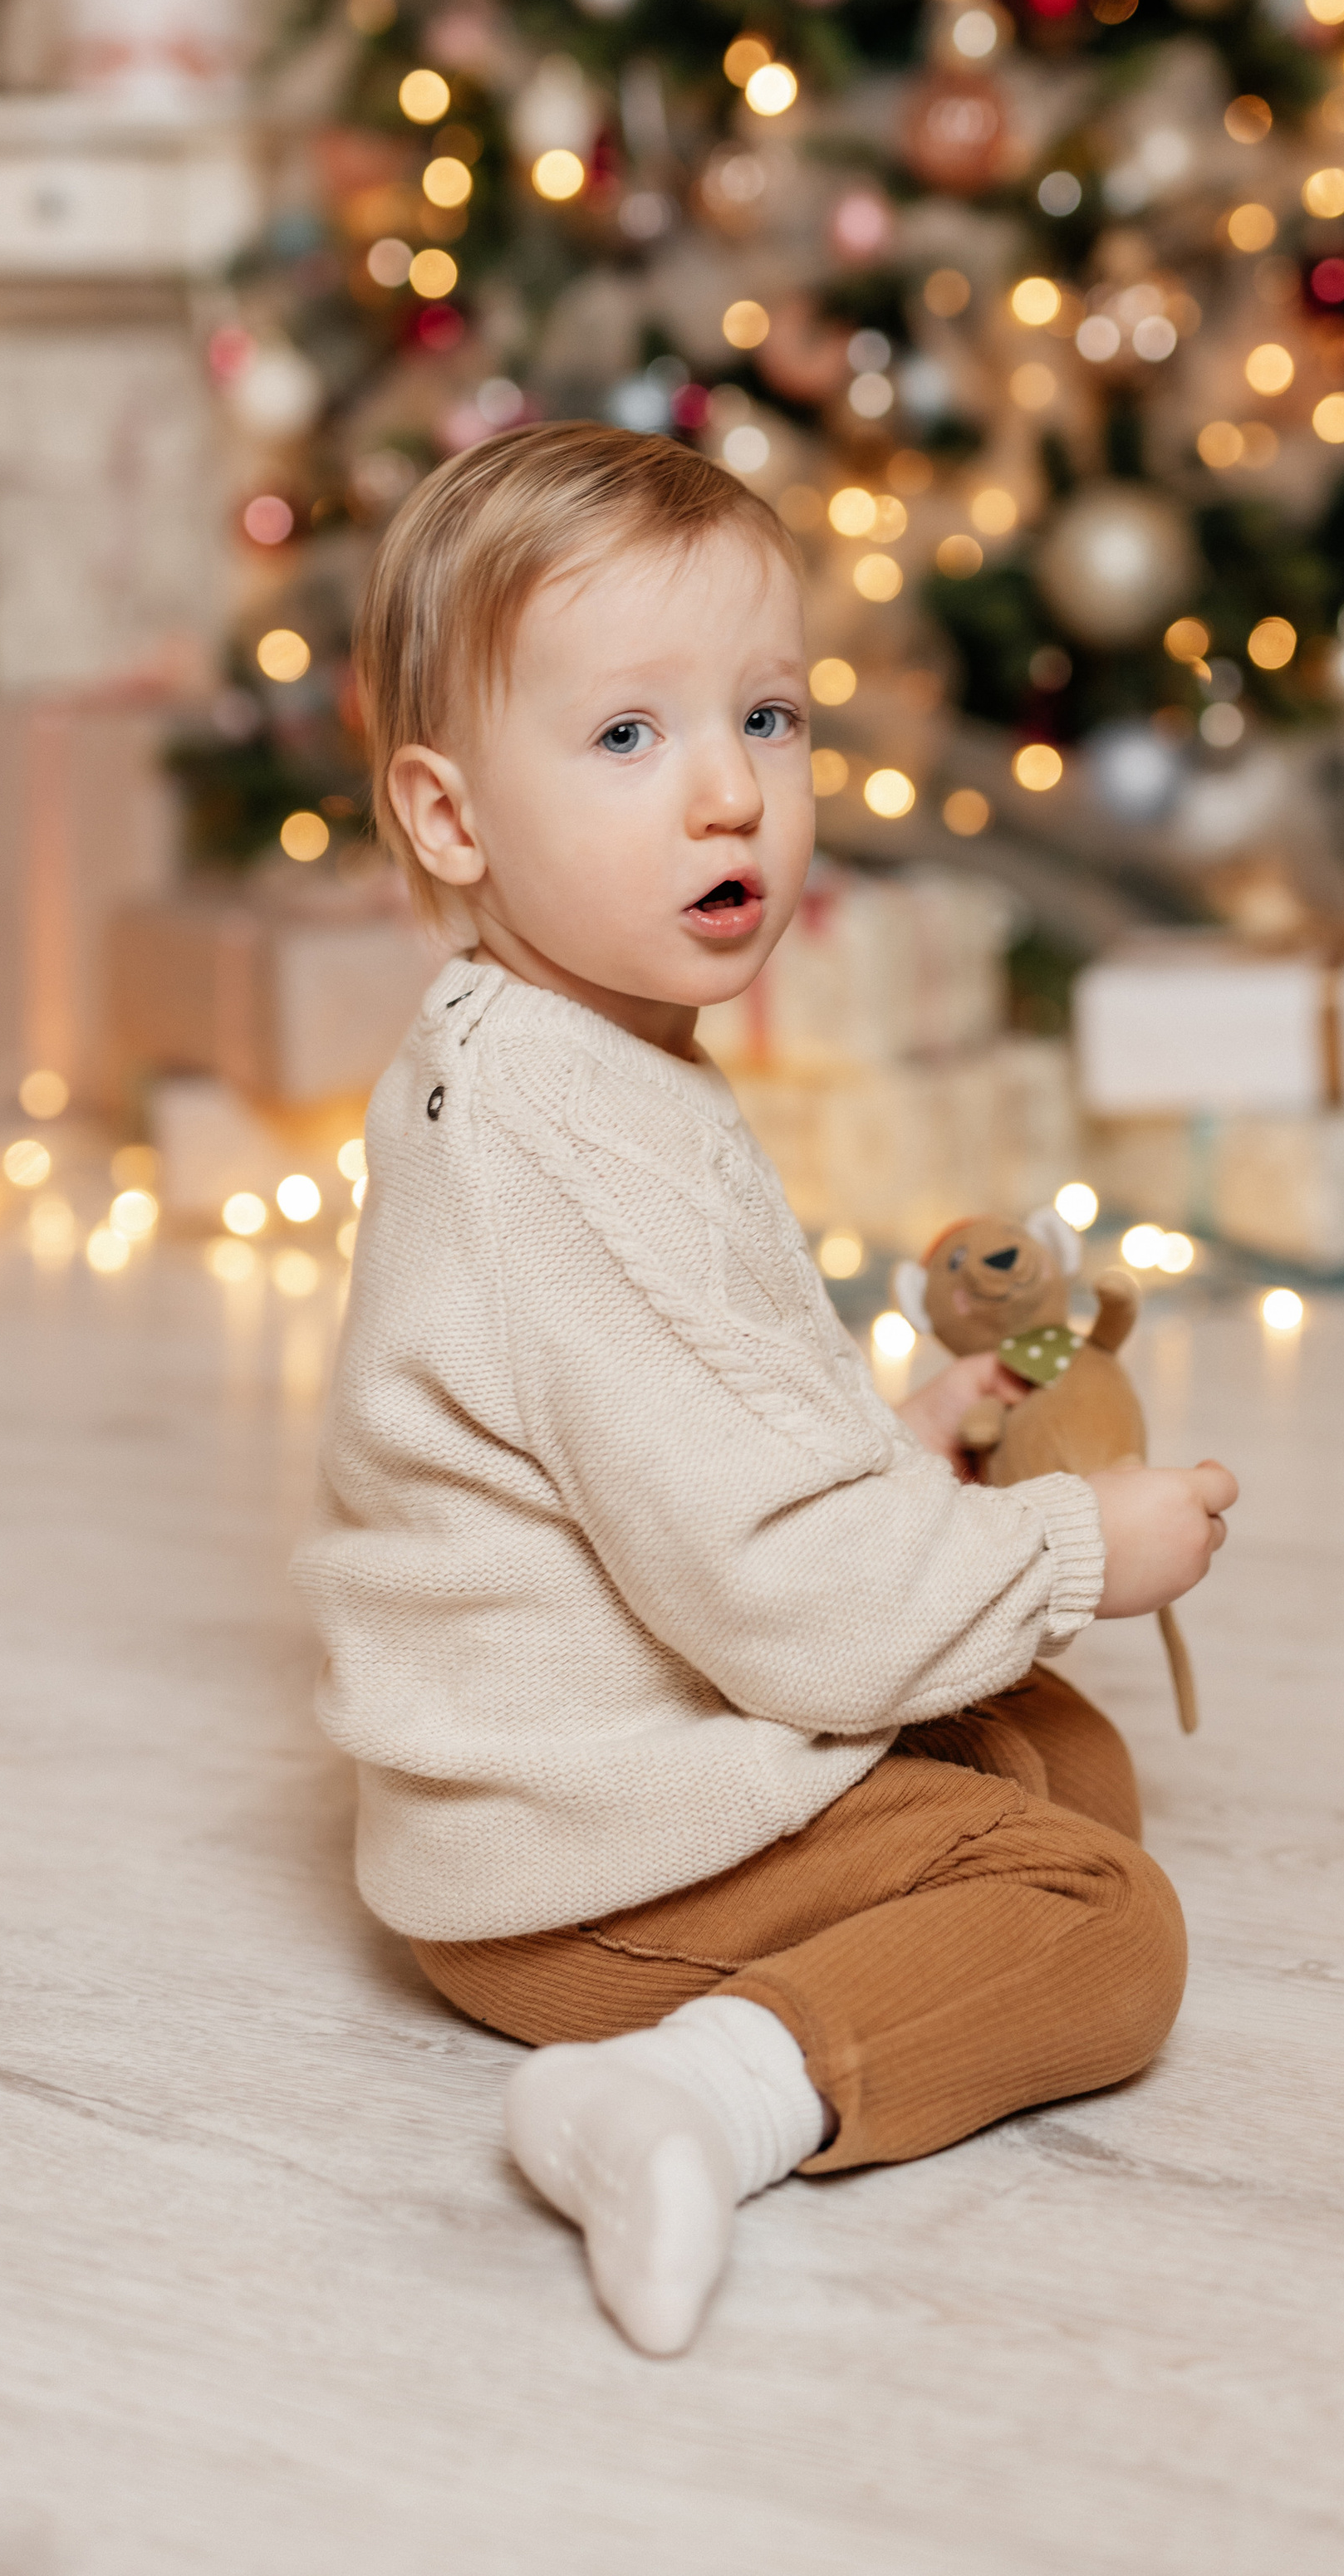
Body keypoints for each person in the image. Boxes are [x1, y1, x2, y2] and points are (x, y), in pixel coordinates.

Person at [296, 423, 1236, 2357]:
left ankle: (844, 1964)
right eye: (627, 738)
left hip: (636, 1742)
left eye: (768, 717)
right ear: (451, 818)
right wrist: (1071, 1546)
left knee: (1058, 1762)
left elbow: (669, 1452)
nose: (729, 791)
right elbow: (773, 1599)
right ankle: (690, 2094)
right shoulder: (562, 1137)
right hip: (566, 1870)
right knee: (1106, 1925)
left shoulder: (577, 1050)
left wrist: (901, 1449)